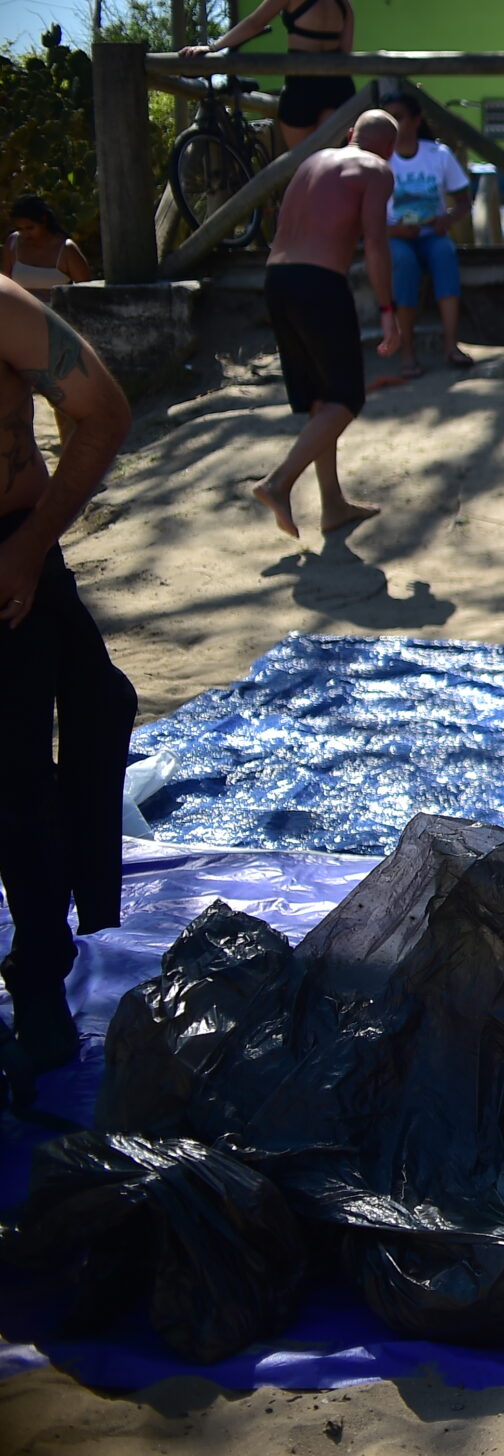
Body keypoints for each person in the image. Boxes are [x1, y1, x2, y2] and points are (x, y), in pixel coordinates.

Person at [0, 276, 136, 1086]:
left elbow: (103, 411)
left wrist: (29, 545)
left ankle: (42, 981)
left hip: (10, 567)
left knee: (20, 788)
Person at [251, 110, 398, 541]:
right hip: (319, 284)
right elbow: (375, 240)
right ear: (388, 149)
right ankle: (278, 483)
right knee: (347, 398)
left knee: (321, 398)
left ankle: (332, 505)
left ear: (350, 134)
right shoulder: (377, 169)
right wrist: (388, 312)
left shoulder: (311, 162)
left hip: (277, 281)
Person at [179, 0, 355, 149]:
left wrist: (213, 47)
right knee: (332, 161)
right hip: (338, 86)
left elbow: (255, 23)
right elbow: (345, 50)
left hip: (302, 86)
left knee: (301, 165)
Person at [377, 92, 473, 378]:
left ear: (417, 120)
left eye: (399, 117)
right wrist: (394, 230)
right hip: (394, 237)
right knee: (404, 265)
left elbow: (464, 201)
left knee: (445, 254)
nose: (393, 124)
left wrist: (446, 220)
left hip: (433, 234)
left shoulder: (439, 155)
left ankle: (451, 346)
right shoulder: (378, 159)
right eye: (387, 117)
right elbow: (362, 216)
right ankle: (407, 353)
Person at [0, 197, 90, 296]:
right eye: (20, 229)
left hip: (56, 310)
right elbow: (5, 286)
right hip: (18, 310)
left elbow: (86, 291)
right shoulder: (13, 243)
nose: (25, 234)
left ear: (44, 220)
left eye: (30, 228)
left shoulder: (66, 249)